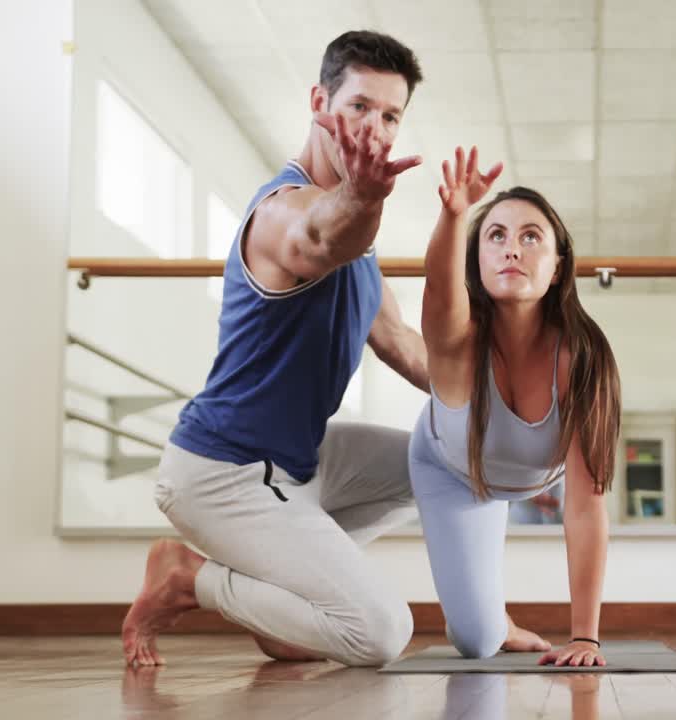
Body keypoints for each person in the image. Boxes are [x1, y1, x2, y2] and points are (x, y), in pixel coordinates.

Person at [120, 30, 430, 668]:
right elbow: (321, 237)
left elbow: (401, 343)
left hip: (297, 461)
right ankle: (188, 577)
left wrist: (505, 402)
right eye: (358, 107)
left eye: (391, 115)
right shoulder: (282, 212)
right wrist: (367, 197)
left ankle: (279, 593)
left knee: (443, 463)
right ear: (320, 101)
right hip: (221, 471)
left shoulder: (360, 234)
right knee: (378, 634)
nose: (375, 128)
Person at [410, 146, 622, 666]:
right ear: (477, 260)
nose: (512, 249)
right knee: (478, 642)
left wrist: (585, 638)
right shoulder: (458, 340)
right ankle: (496, 619)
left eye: (532, 237)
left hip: (515, 478)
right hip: (450, 470)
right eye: (496, 236)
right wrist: (455, 214)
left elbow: (584, 505)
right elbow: (439, 286)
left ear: (556, 268)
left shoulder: (582, 357)